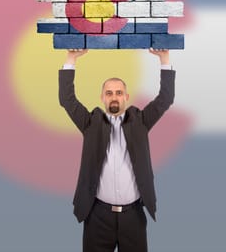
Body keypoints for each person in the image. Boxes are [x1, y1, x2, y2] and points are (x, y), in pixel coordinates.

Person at [59, 48, 176, 252]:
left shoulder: (141, 121)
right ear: (102, 98)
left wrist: (164, 58)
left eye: (119, 93)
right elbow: (67, 100)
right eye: (109, 93)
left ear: (126, 97)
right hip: (97, 216)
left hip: (134, 216)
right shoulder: (90, 123)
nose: (114, 97)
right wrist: (71, 58)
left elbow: (165, 99)